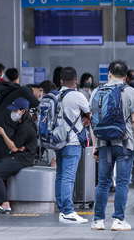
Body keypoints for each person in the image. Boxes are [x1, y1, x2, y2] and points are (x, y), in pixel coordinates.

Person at [91, 60, 134, 231]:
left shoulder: (97, 91)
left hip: (103, 143)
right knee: (122, 182)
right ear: (126, 76)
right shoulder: (131, 92)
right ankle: (118, 220)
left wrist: (95, 145)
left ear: (109, 74)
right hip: (125, 143)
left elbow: (94, 121)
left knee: (103, 182)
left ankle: (98, 220)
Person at [0, 98, 37, 214]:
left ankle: (5, 204)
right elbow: (15, 145)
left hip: (22, 159)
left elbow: (13, 147)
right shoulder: (20, 125)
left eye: (15, 110)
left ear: (23, 111)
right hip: (16, 155)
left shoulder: (25, 127)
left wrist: (3, 133)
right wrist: (15, 146)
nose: (13, 113)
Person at [54, 67, 91, 224]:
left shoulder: (55, 95)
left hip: (58, 141)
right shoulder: (78, 96)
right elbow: (90, 113)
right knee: (69, 178)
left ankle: (62, 210)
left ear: (61, 81)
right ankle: (68, 212)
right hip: (73, 142)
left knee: (61, 176)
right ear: (76, 81)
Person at [0, 68, 41, 162]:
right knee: (3, 153)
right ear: (40, 90)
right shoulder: (25, 91)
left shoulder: (20, 91)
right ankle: (0, 172)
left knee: (2, 153)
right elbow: (37, 103)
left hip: (1, 122)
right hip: (2, 124)